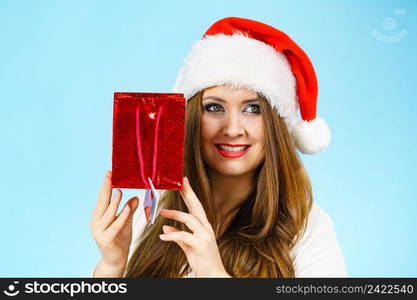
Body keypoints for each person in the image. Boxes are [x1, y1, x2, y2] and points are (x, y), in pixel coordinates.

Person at [89, 17, 347, 278]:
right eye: (214, 107)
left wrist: (213, 273)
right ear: (190, 120)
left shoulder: (309, 228)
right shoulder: (151, 216)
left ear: (275, 126)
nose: (233, 129)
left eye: (252, 109)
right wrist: (112, 266)